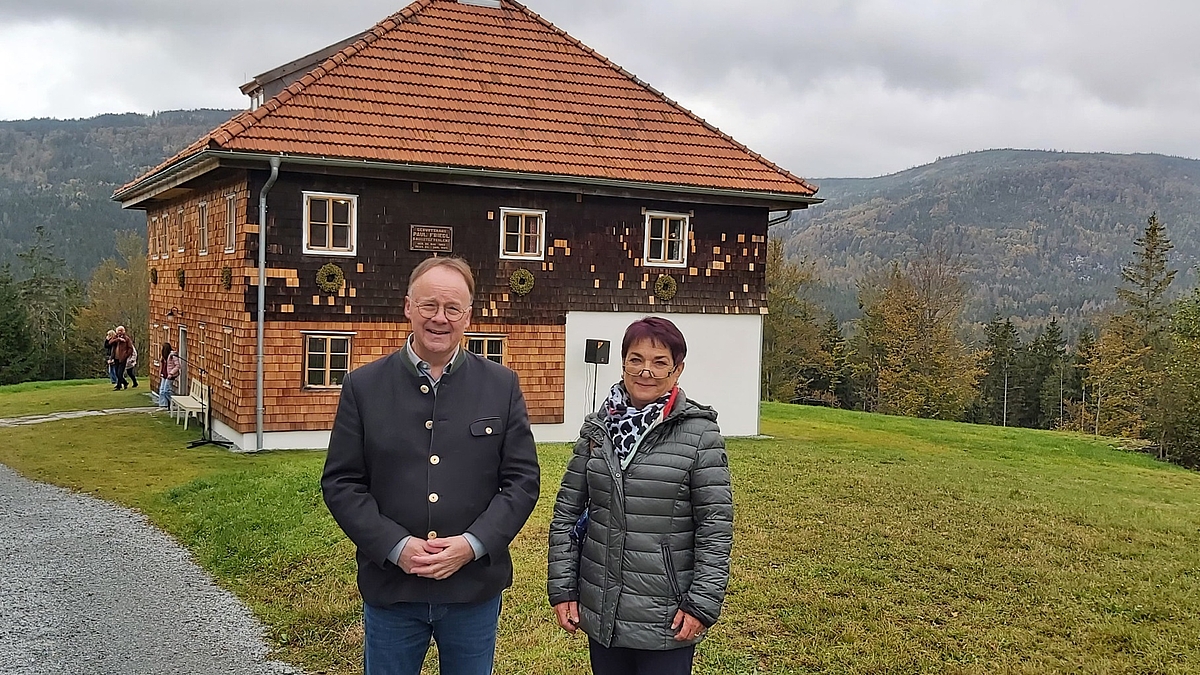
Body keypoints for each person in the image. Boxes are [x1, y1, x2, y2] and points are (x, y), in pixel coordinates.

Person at [322, 256, 540, 675]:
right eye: (429, 306)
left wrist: (472, 545)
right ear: (408, 307)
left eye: (452, 308)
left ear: (468, 316)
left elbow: (522, 482)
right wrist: (396, 547)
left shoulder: (501, 385)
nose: (440, 318)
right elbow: (342, 483)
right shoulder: (363, 387)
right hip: (392, 590)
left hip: (473, 590)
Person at [547, 317, 733, 675]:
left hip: (666, 615)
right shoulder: (597, 430)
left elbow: (715, 527)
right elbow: (566, 515)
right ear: (623, 362)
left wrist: (702, 604)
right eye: (636, 359)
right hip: (604, 611)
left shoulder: (700, 435)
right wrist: (563, 589)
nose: (646, 370)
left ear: (677, 370)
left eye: (659, 361)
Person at [158, 342, 180, 409]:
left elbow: (177, 366)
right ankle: (163, 405)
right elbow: (162, 365)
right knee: (161, 390)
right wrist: (160, 372)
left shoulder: (172, 356)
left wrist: (171, 373)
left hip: (170, 375)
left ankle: (174, 402)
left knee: (166, 390)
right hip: (164, 375)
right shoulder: (164, 357)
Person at [111, 326, 134, 390]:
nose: (119, 332)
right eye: (118, 331)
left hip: (122, 358)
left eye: (121, 331)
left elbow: (130, 348)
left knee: (119, 373)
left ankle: (119, 386)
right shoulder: (115, 338)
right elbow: (110, 342)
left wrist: (126, 355)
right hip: (116, 358)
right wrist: (118, 339)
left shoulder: (126, 339)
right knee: (116, 373)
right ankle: (124, 383)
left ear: (123, 331)